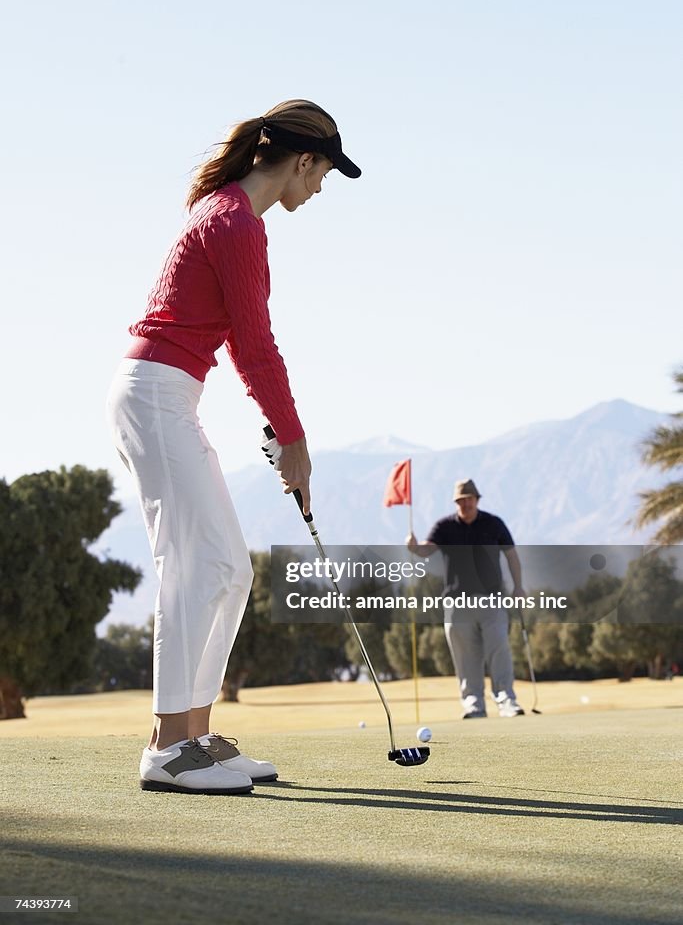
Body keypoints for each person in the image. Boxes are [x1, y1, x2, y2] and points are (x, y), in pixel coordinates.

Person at [106, 100, 361, 795]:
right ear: (301, 161)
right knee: (193, 567)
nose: (317, 190)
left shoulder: (226, 213)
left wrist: (285, 431)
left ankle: (197, 739)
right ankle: (167, 748)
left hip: (165, 394)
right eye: (322, 176)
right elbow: (254, 344)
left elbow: (246, 347)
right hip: (155, 394)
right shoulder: (235, 223)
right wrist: (294, 438)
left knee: (228, 571)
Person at [407, 478, 525, 719]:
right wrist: (414, 548)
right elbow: (426, 550)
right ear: (456, 503)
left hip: (492, 599)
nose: (465, 504)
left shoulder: (494, 524)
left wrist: (518, 587)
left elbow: (512, 556)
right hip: (457, 603)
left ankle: (506, 701)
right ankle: (473, 704)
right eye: (461, 500)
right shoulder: (445, 526)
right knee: (465, 658)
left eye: (469, 499)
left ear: (477, 500)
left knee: (499, 649)